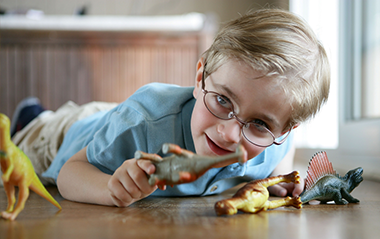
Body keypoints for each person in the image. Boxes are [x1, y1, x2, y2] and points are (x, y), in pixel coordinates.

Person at [10, 8, 330, 207]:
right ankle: (32, 114)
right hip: (63, 137)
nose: (230, 133)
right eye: (222, 100)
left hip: (117, 120)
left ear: (283, 129)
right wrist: (108, 187)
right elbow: (69, 173)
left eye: (259, 123)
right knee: (26, 141)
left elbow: (283, 149)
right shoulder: (141, 123)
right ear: (200, 76)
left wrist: (281, 174)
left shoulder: (272, 144)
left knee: (111, 118)